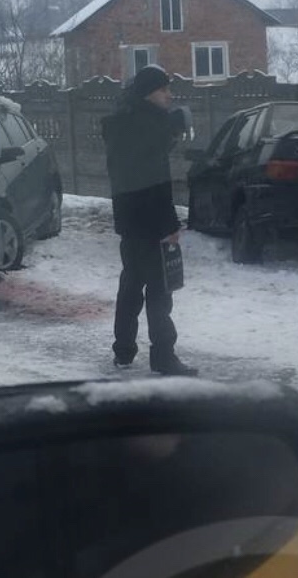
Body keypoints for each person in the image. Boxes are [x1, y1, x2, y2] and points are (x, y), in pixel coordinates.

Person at [101, 65, 198, 375]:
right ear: (147, 93)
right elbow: (153, 181)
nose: (169, 95)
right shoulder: (145, 127)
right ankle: (164, 357)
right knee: (159, 291)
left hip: (129, 221)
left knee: (131, 285)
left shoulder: (124, 124)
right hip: (151, 220)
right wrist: (169, 226)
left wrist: (168, 129)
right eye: (163, 89)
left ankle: (124, 352)